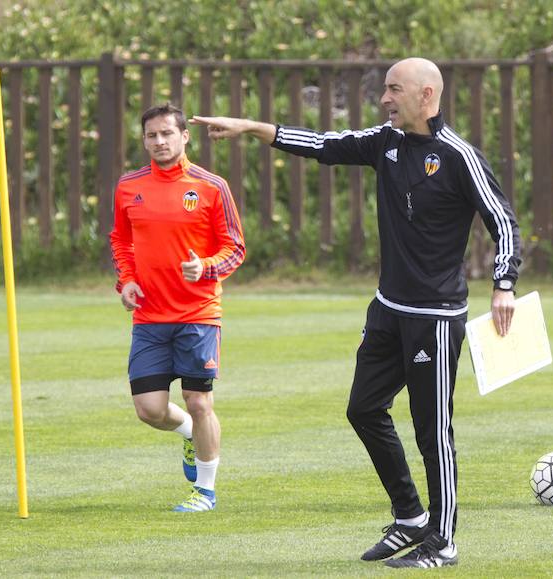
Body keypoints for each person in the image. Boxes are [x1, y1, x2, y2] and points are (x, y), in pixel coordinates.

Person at [192, 57, 520, 567]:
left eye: (394, 89)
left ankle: (444, 539)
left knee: (432, 429)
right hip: (388, 309)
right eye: (385, 89)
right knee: (363, 409)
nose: (385, 98)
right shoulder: (383, 141)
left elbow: (502, 221)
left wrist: (504, 286)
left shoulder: (459, 156)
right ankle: (410, 517)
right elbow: (324, 145)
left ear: (426, 95)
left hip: (435, 318)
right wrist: (253, 128)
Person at [109, 103, 245, 512]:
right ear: (144, 140)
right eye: (152, 135)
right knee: (148, 409)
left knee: (199, 400)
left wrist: (203, 267)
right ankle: (188, 433)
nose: (159, 141)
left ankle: (204, 491)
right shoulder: (127, 186)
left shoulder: (210, 186)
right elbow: (121, 240)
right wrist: (127, 279)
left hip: (198, 314)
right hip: (149, 315)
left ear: (185, 136)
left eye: (167, 133)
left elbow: (234, 248)